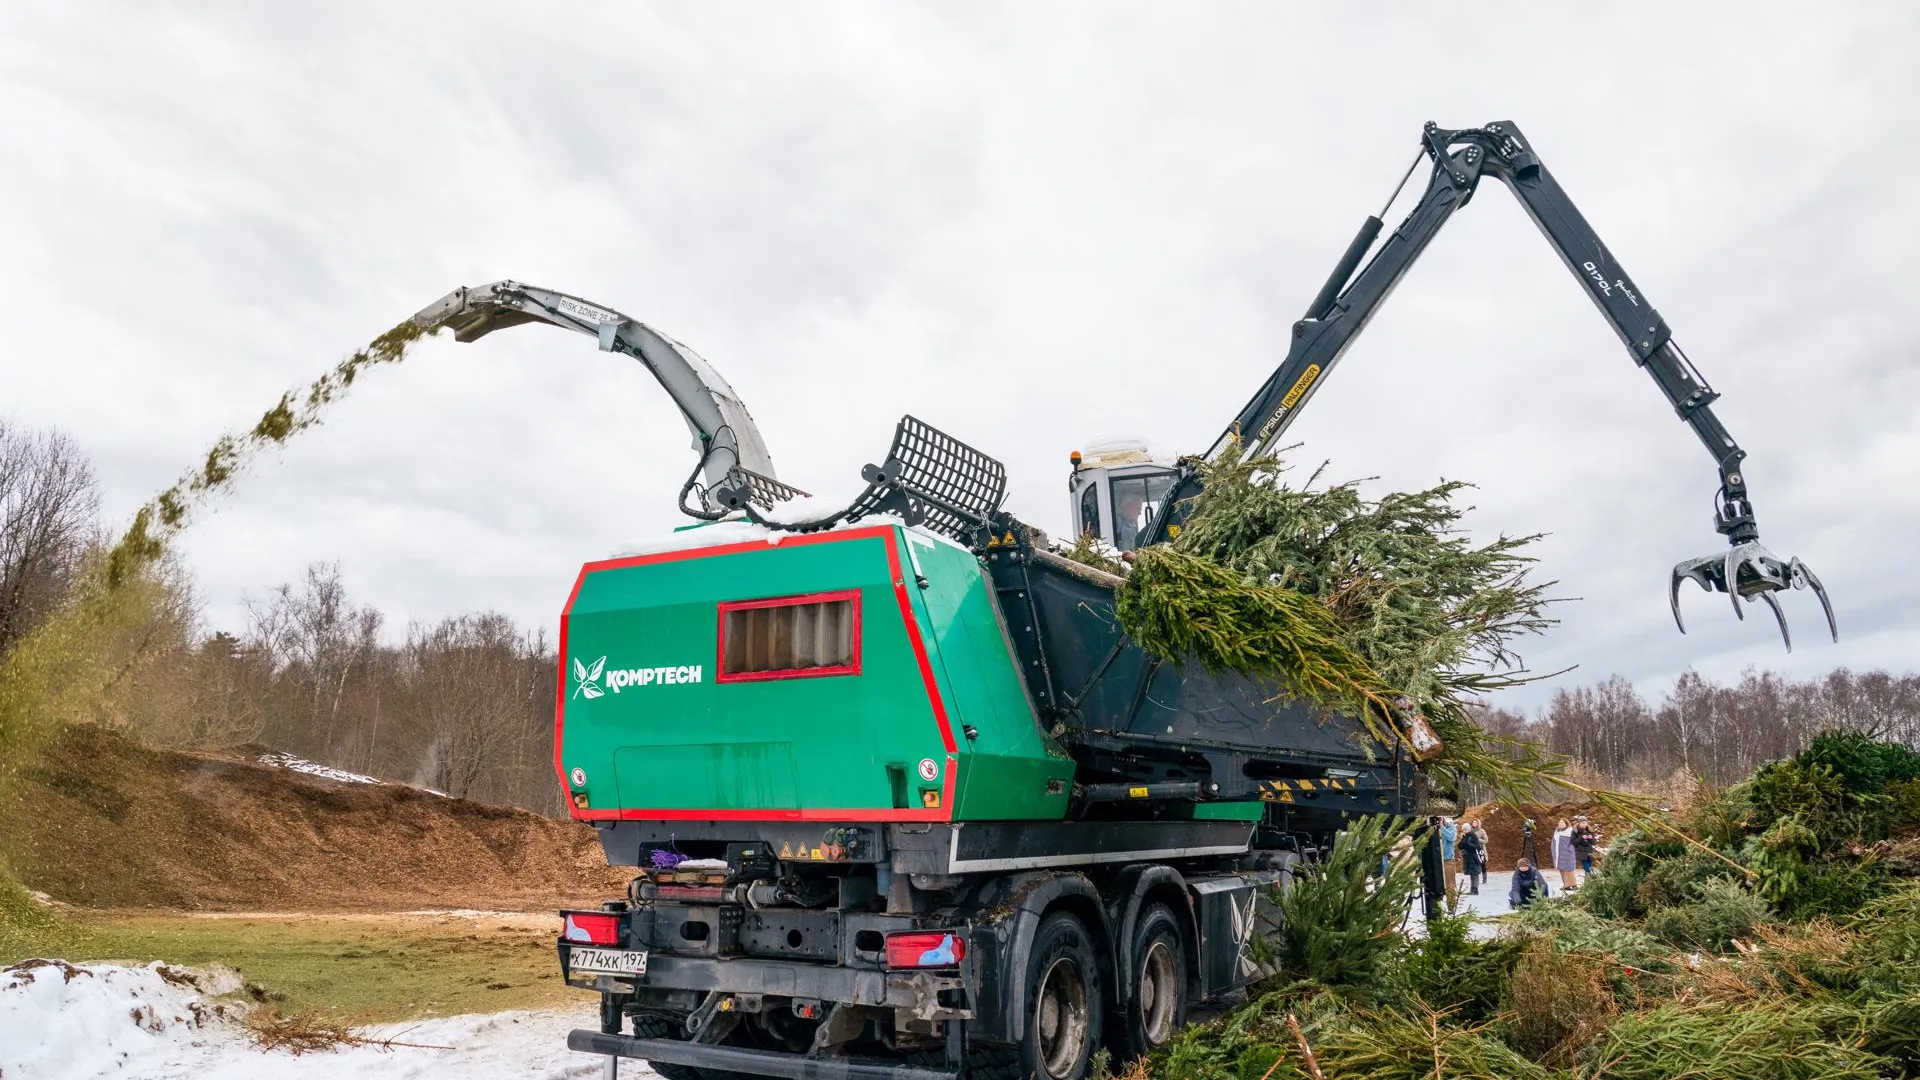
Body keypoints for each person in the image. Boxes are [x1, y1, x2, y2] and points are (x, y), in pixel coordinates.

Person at [1458, 819, 1485, 895]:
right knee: (1471, 874)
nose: (1463, 831)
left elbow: (1476, 846)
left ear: (1468, 829)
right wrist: (1461, 841)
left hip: (1474, 858)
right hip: (1468, 858)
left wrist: (1467, 843)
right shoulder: (1465, 836)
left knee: (1475, 874)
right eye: (1463, 830)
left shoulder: (1473, 835)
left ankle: (1475, 889)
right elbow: (1461, 846)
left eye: (1464, 830)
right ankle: (1472, 889)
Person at [1572, 816, 1601, 881]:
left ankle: (1587, 882)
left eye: (1585, 823)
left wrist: (1591, 838)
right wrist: (1581, 837)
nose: (1584, 824)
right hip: (1580, 852)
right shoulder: (1575, 831)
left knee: (1589, 867)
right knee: (1587, 868)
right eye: (1582, 823)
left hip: (1589, 851)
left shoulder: (1590, 830)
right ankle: (1591, 880)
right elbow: (1573, 842)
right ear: (1579, 823)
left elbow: (1594, 842)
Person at [1552, 817, 1577, 892]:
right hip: (1558, 854)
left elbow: (1573, 844)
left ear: (1566, 824)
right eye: (1559, 822)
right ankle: (1566, 885)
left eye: (1562, 822)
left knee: (1568, 870)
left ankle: (1573, 885)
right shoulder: (1557, 832)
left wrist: (1568, 851)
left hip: (1567, 854)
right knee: (1562, 869)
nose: (1560, 824)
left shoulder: (1569, 832)